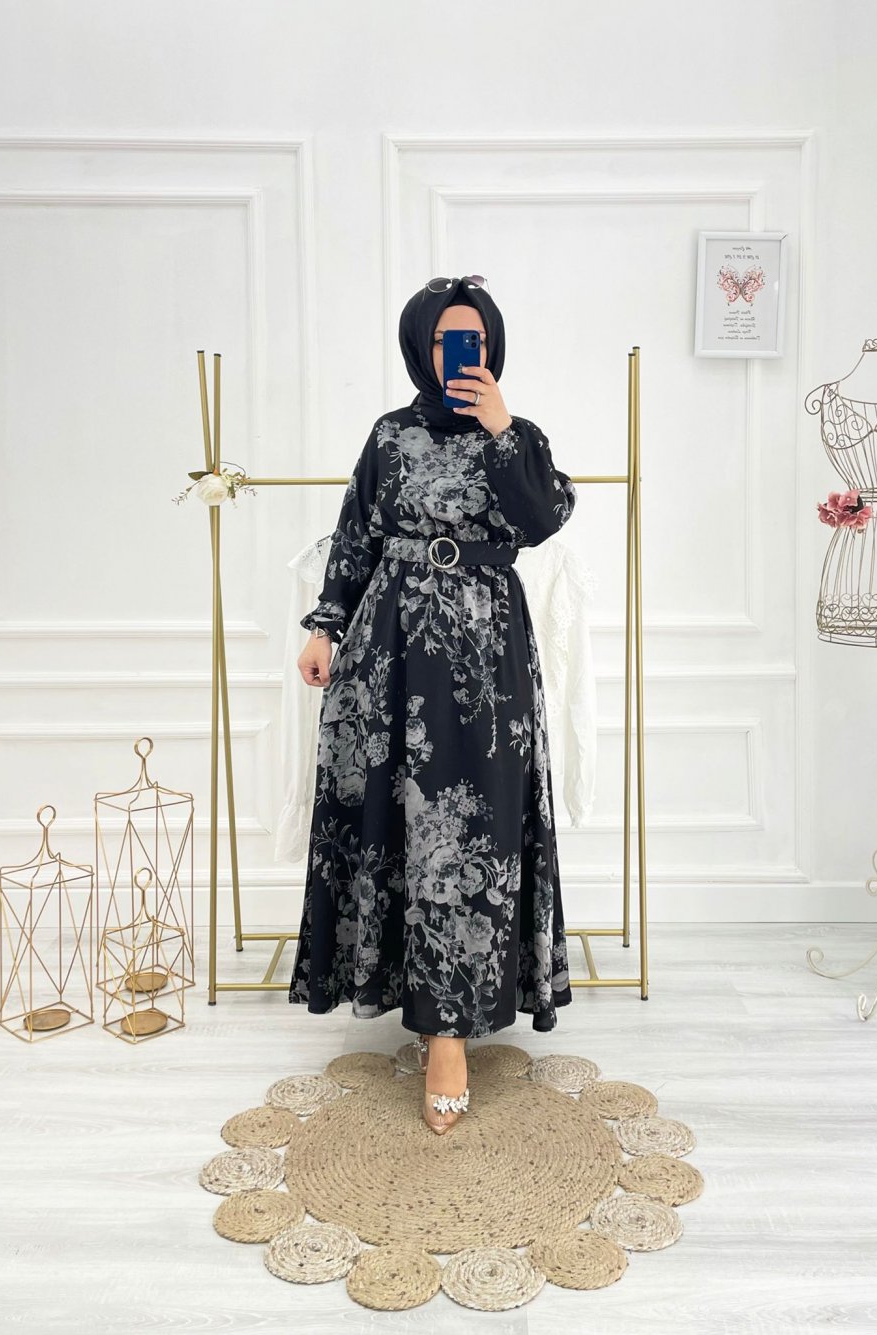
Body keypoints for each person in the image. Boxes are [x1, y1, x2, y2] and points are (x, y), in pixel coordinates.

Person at [289, 275, 577, 1133]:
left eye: (478, 340)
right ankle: (428, 1017)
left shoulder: (516, 437)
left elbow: (544, 517)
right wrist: (325, 626)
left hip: (487, 657)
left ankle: (452, 1026)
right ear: (423, 347)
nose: (466, 355)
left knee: (477, 828)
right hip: (392, 647)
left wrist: (501, 429)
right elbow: (356, 535)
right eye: (453, 341)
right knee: (400, 824)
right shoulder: (390, 436)